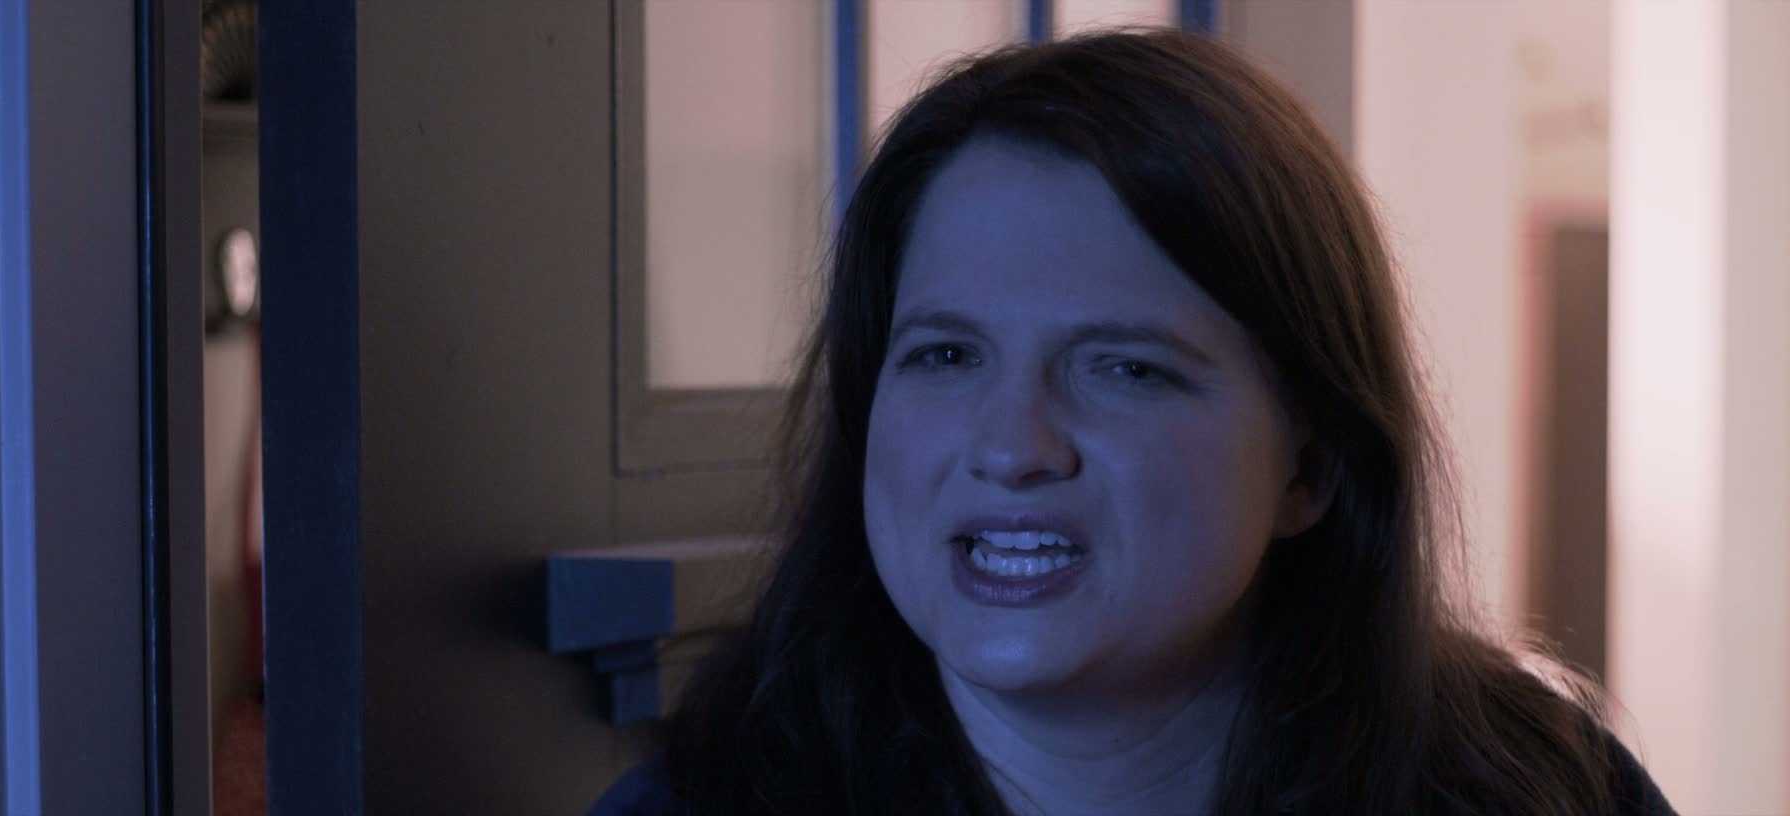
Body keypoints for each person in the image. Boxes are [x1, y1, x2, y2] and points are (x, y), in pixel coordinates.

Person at [590, 27, 1676, 816]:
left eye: (1125, 369)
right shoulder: (700, 804)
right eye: (947, 355)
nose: (1012, 447)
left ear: (1311, 466)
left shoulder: (1541, 792)